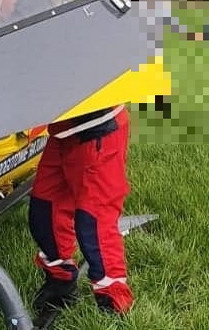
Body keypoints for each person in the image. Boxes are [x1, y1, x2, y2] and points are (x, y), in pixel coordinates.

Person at [28, 103, 134, 316]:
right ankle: (61, 283)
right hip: (64, 129)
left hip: (98, 129)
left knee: (94, 223)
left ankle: (113, 306)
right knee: (44, 210)